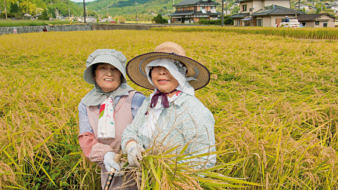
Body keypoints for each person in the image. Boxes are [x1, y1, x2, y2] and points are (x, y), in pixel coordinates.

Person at [121, 42, 216, 170]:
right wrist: (131, 145)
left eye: (169, 67)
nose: (161, 72)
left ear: (180, 74)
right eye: (157, 67)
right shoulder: (150, 102)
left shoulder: (194, 110)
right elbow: (131, 131)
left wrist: (163, 168)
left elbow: (205, 160)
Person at [78, 49, 145, 189]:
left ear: (121, 74)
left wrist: (134, 149)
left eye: (114, 69)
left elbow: (150, 132)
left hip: (140, 171)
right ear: (94, 73)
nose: (109, 73)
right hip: (109, 171)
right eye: (103, 68)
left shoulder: (135, 98)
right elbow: (86, 137)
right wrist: (105, 155)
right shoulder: (86, 104)